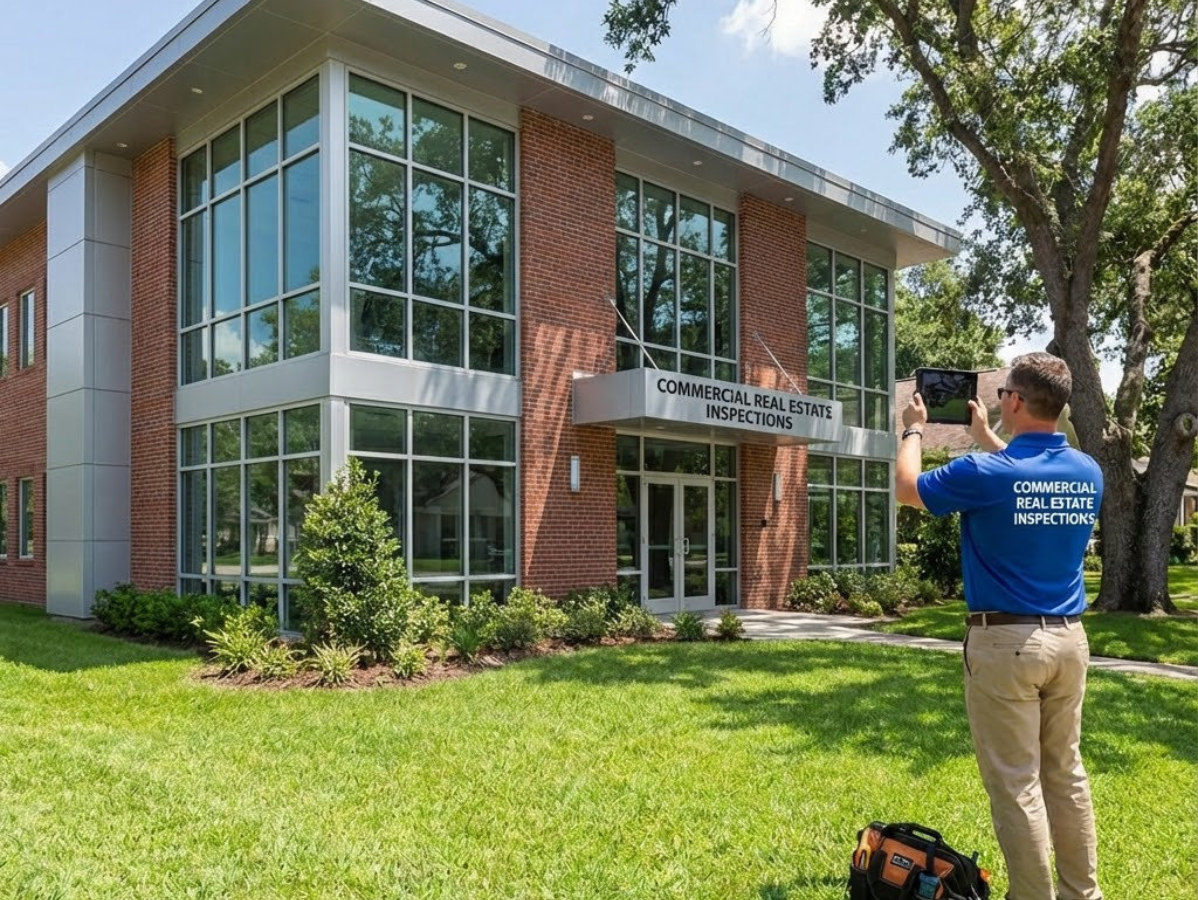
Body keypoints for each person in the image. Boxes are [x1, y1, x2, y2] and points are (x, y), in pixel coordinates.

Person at [895, 353, 1104, 900]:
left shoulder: (985, 473)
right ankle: (1083, 894)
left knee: (1018, 785)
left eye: (1004, 391)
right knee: (1067, 774)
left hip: (1005, 643)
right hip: (1068, 642)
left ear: (1014, 399)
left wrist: (913, 430)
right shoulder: (1087, 470)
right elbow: (1026, 483)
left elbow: (907, 488)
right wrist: (989, 437)